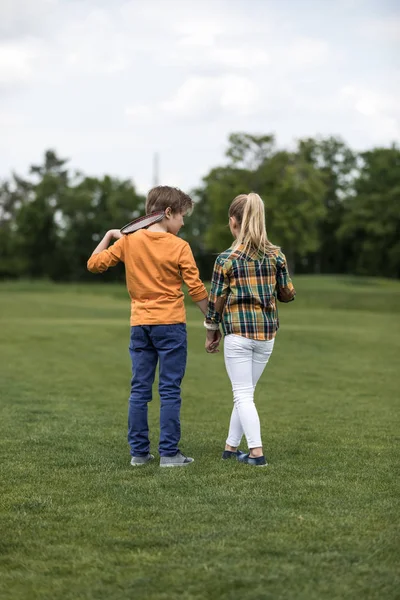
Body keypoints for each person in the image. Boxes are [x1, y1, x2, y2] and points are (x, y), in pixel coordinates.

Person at [87, 186, 209, 468]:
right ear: (168, 213)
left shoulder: (129, 242)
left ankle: (139, 454)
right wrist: (212, 321)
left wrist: (109, 235)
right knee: (169, 390)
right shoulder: (180, 246)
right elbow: (196, 289)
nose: (183, 223)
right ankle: (169, 455)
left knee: (139, 390)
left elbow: (94, 264)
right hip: (170, 325)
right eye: (181, 216)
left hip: (140, 325)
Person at [204, 193, 296, 467]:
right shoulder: (276, 255)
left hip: (238, 335)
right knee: (246, 392)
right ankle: (230, 448)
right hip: (266, 335)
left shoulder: (226, 259)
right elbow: (288, 294)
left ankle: (256, 453)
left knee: (242, 394)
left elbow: (215, 302)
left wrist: (211, 331)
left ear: (233, 222)